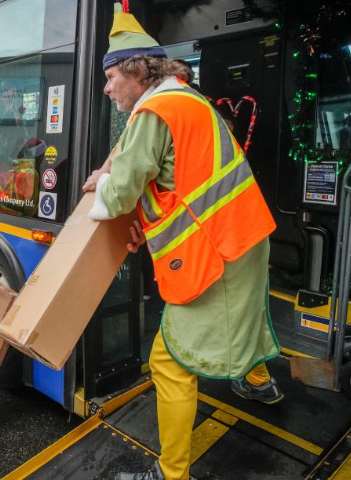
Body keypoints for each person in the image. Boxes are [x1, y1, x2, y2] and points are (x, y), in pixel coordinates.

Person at [83, 5, 282, 479]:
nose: (107, 88)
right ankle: (258, 382)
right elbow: (178, 187)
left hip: (217, 253)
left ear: (136, 70)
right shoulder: (190, 101)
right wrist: (146, 225)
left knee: (169, 362)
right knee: (249, 315)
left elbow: (122, 190)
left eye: (111, 77)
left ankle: (170, 475)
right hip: (245, 238)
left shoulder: (154, 110)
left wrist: (99, 186)